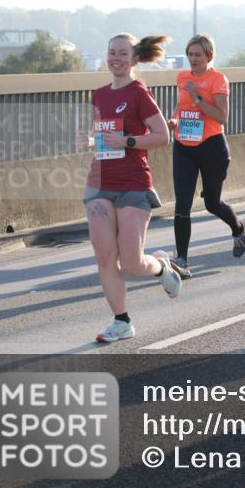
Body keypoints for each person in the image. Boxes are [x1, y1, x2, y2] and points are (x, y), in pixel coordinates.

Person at [86, 33, 182, 343]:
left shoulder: (139, 93)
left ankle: (161, 267)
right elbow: (103, 136)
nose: (115, 58)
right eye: (111, 52)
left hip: (133, 184)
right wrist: (89, 140)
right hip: (99, 183)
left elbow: (161, 136)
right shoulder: (99, 95)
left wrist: (126, 141)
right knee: (104, 255)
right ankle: (121, 321)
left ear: (135, 59)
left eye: (122, 53)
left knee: (131, 262)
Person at [166, 34, 245, 278]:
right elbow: (182, 107)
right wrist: (174, 120)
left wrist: (197, 97)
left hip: (211, 146)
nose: (193, 59)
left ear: (209, 56)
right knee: (182, 204)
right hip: (184, 146)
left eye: (198, 55)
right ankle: (182, 260)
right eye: (190, 54)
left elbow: (222, 117)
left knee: (212, 203)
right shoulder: (182, 77)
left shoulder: (218, 79)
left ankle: (238, 229)